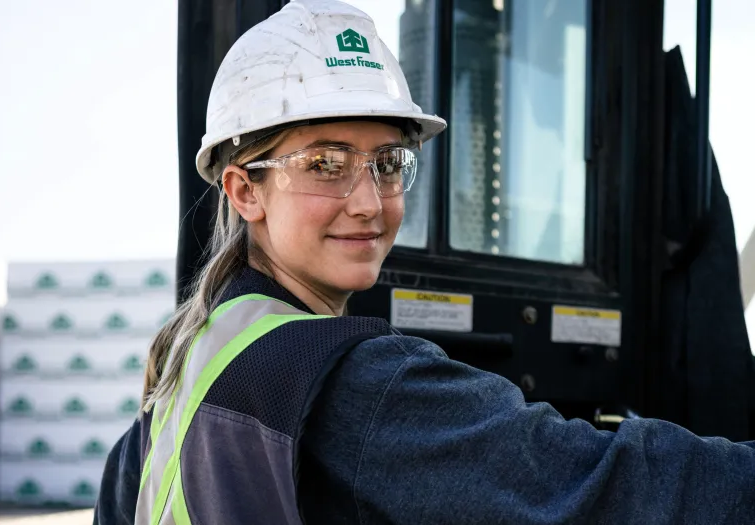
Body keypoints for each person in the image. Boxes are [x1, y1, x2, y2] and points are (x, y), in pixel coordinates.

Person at [95, 1, 755, 523]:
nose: (368, 203)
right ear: (245, 191)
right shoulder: (354, 381)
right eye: (325, 164)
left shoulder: (192, 359)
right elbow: (603, 489)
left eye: (387, 164)